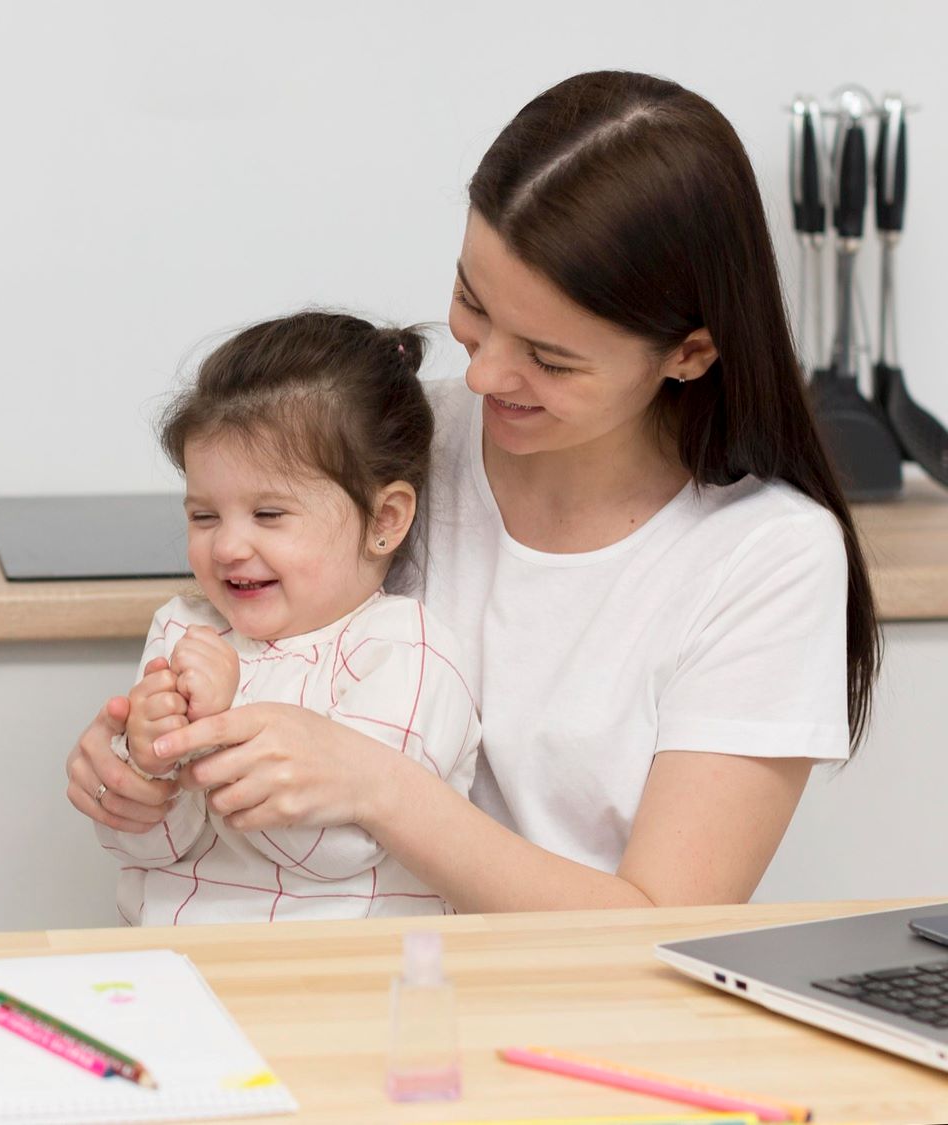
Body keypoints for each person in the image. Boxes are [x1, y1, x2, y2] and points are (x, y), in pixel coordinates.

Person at [67, 70, 877, 914]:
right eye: (471, 302)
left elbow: (658, 924)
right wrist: (133, 764)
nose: (484, 373)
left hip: (569, 1011)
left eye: (550, 357)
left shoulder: (766, 555)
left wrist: (375, 785)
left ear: (690, 353)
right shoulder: (398, 448)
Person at [95, 311, 480, 924]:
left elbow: (337, 849)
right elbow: (144, 846)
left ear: (384, 520)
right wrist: (144, 768)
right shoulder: (184, 628)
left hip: (345, 991)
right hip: (177, 967)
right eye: (204, 516)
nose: (226, 548)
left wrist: (219, 724)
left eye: (269, 515)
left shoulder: (407, 650)